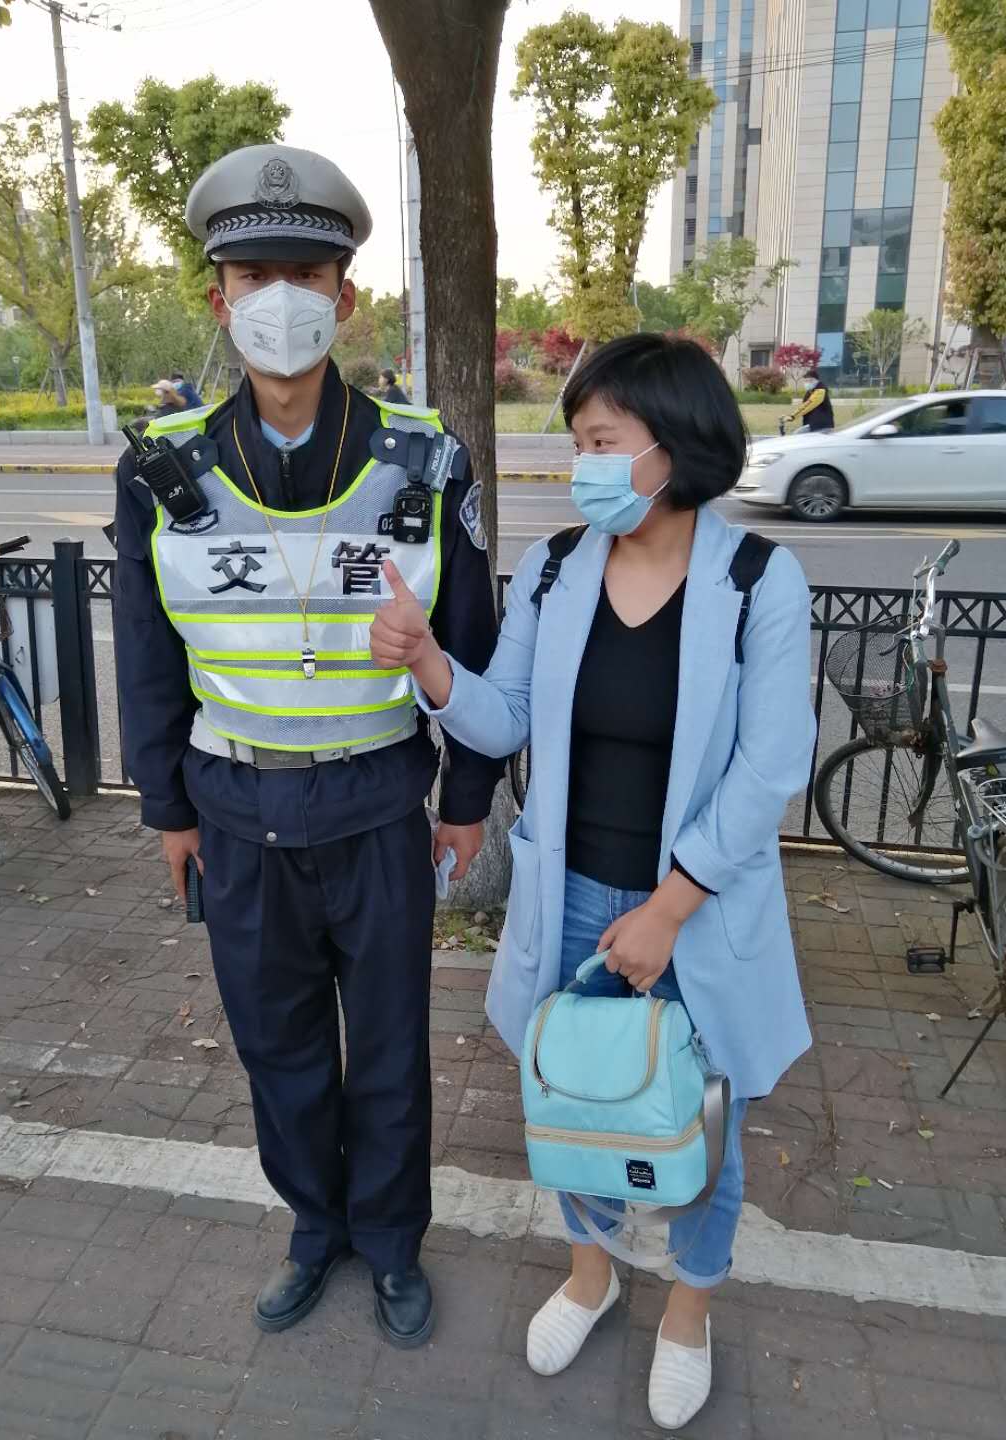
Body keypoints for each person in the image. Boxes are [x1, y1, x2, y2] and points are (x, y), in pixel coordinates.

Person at [370, 333, 816, 1428]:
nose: (584, 464)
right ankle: (590, 1276)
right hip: (567, 894)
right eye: (578, 443)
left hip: (696, 909)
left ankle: (687, 1314)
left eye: (602, 441)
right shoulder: (561, 566)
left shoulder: (757, 580)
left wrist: (668, 908)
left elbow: (770, 768)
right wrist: (429, 663)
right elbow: (506, 716)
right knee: (570, 1103)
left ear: (673, 445)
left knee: (700, 1126)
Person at [111, 143, 504, 1348]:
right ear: (218, 296)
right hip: (237, 818)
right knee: (277, 1050)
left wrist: (468, 798)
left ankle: (390, 1245)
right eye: (254, 275)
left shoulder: (423, 459)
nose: (279, 299)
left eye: (307, 274)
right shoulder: (161, 469)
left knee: (386, 1053)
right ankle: (313, 1231)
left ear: (345, 295)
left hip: (377, 809)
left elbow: (473, 638)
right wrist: (168, 812)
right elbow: (147, 655)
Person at [783, 368, 834, 433]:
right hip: (814, 424)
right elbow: (803, 406)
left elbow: (808, 405)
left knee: (797, 435)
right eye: (805, 381)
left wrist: (792, 416)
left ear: (815, 380)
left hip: (822, 426)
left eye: (809, 381)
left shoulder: (820, 391)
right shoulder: (810, 391)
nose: (806, 383)